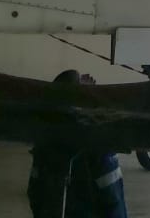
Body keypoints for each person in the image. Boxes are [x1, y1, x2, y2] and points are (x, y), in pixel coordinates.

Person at [28, 69, 129, 218]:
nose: (91, 79)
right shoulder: (100, 147)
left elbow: (34, 194)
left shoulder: (45, 145)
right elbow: (113, 201)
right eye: (83, 81)